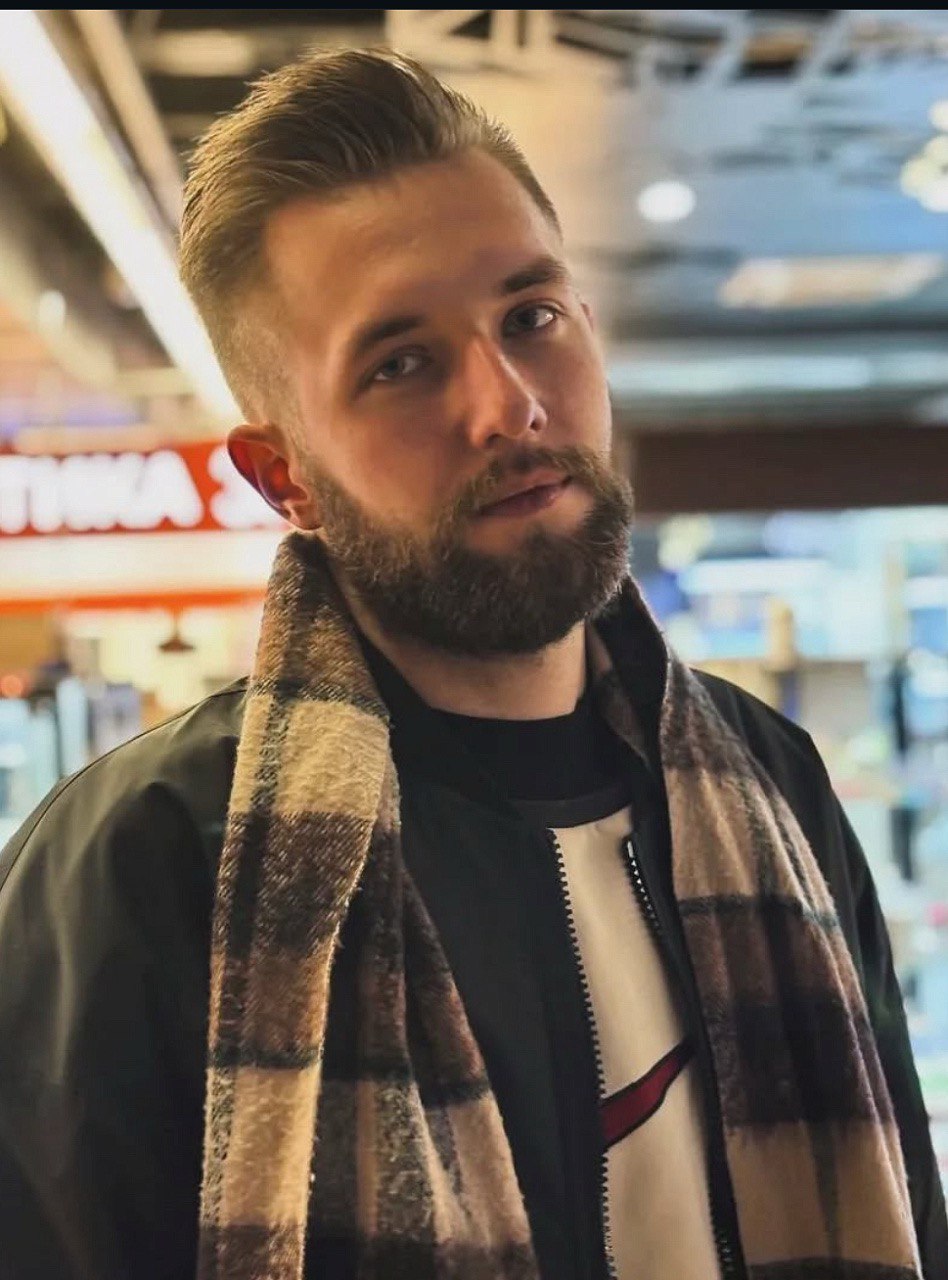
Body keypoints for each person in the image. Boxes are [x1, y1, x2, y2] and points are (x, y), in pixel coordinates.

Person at [0, 46, 944, 1280]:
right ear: (284, 476)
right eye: (400, 363)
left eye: (530, 318)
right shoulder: (145, 863)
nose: (508, 404)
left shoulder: (772, 781)